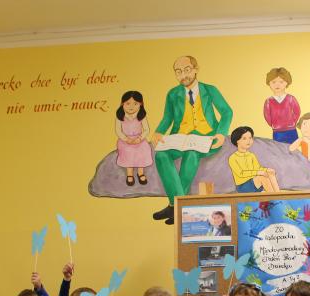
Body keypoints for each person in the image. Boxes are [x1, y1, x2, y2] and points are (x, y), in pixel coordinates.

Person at [151, 55, 233, 225]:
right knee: (161, 155)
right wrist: (158, 132)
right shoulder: (172, 94)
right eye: (178, 72)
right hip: (180, 136)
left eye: (187, 70)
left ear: (196, 69)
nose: (183, 75)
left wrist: (221, 133)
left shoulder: (210, 90)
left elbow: (226, 112)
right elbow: (167, 118)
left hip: (207, 137)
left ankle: (174, 206)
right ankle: (178, 206)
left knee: (191, 153)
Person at [114, 90, 152, 186]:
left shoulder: (141, 116)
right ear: (122, 104)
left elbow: (146, 129)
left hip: (139, 139)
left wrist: (140, 138)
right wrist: (126, 139)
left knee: (143, 149)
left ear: (141, 104)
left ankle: (140, 173)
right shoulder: (120, 116)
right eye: (128, 103)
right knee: (128, 152)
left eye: (135, 103)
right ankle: (130, 174)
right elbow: (118, 130)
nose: (131, 106)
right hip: (126, 140)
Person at [228, 126, 280, 193]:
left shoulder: (251, 155)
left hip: (255, 184)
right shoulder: (233, 158)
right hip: (243, 187)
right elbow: (241, 173)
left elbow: (258, 168)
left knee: (270, 173)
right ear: (237, 141)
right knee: (262, 177)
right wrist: (258, 172)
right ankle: (273, 197)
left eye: (250, 138)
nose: (248, 141)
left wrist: (267, 170)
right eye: (244, 138)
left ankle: (278, 194)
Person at [262, 67, 301, 143]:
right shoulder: (269, 101)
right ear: (269, 83)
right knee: (279, 149)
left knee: (293, 148)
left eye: (281, 82)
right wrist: (274, 125)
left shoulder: (291, 98)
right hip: (277, 132)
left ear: (286, 83)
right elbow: (267, 116)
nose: (277, 85)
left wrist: (291, 123)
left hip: (291, 130)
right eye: (273, 82)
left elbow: (297, 112)